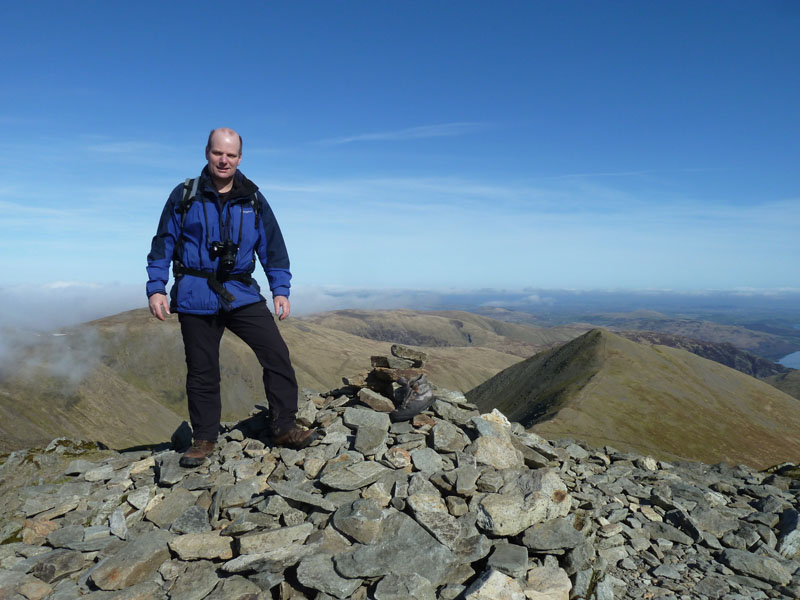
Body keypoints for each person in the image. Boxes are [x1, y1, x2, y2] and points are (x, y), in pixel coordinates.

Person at [146, 127, 319, 467]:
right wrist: (156, 287)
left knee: (276, 354)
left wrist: (279, 289)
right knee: (202, 370)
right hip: (195, 293)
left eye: (231, 155)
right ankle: (204, 439)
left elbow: (273, 248)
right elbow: (163, 242)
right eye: (217, 153)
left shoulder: (253, 198)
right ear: (207, 153)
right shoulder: (184, 195)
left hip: (240, 292)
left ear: (240, 158)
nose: (224, 160)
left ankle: (283, 426)